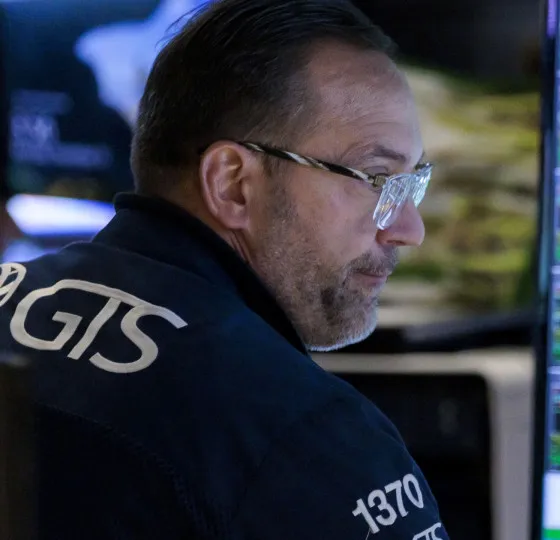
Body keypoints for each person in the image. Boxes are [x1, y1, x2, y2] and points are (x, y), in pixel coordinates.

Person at [0, 0, 448, 538]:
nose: (408, 229)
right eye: (377, 179)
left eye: (413, 183)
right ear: (232, 184)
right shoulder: (297, 432)